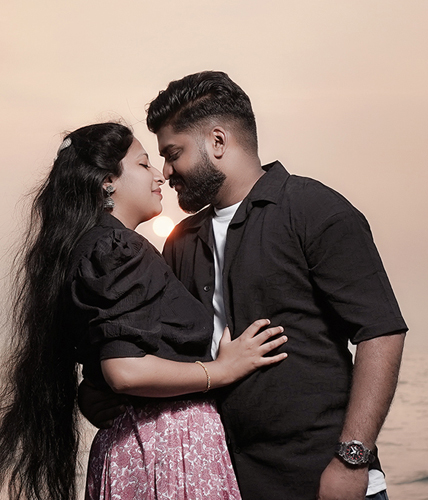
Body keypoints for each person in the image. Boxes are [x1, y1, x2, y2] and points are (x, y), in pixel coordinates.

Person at [81, 73, 407, 500]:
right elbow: (154, 349)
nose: (166, 171)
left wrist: (351, 460)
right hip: (222, 481)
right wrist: (96, 393)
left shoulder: (312, 208)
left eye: (173, 153)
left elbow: (381, 332)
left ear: (218, 141)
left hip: (324, 479)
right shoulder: (179, 242)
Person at [0, 122, 288, 500]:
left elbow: (107, 365)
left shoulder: (87, 250)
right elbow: (125, 369)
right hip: (168, 450)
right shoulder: (116, 248)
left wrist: (94, 393)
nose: (159, 176)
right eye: (144, 164)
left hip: (135, 447)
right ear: (107, 182)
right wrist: (222, 370)